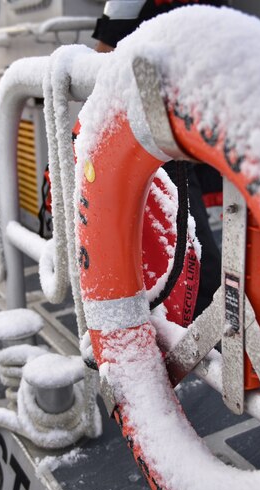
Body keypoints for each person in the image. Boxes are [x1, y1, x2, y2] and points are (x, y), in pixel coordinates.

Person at [93, 0, 224, 317]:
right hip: (155, 144)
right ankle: (198, 349)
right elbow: (102, 60)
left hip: (200, 135)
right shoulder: (129, 2)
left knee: (204, 255)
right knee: (195, 263)